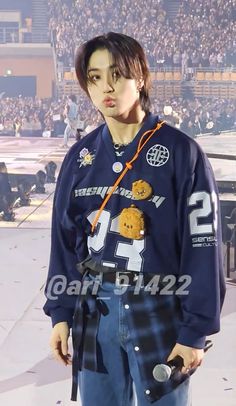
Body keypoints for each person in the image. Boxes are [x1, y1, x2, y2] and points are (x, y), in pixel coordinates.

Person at [43, 32, 226, 405]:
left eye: (116, 74)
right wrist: (61, 314)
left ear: (139, 77)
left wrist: (195, 331)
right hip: (94, 311)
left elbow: (203, 246)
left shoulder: (181, 153)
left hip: (159, 306)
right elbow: (64, 242)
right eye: (94, 77)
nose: (106, 87)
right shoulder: (80, 158)